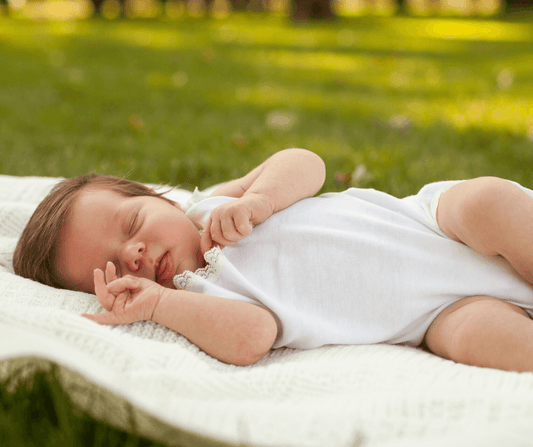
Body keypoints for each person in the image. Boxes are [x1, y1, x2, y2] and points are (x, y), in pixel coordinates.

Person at [12, 149, 533, 370]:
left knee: (489, 202)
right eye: (116, 269)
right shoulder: (198, 297)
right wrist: (156, 308)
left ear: (162, 199)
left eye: (131, 226)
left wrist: (259, 200)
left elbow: (306, 163)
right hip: (436, 315)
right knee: (482, 340)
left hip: (431, 224)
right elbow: (253, 336)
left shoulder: (215, 203)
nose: (134, 254)